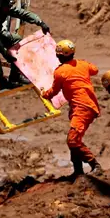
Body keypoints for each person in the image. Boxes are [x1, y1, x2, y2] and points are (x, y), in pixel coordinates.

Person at [41, 40, 101, 175]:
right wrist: (81, 65)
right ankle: (78, 171)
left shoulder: (60, 72)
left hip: (82, 108)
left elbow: (54, 91)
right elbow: (95, 70)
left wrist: (44, 94)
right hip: (86, 106)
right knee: (75, 139)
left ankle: (95, 165)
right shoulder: (83, 64)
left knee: (72, 140)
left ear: (59, 56)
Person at [0, 0, 50, 90]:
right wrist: (5, 52)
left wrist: (40, 22)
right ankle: (2, 81)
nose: (8, 9)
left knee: (17, 40)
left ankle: (15, 75)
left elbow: (23, 14)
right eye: (7, 7)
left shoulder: (6, 8)